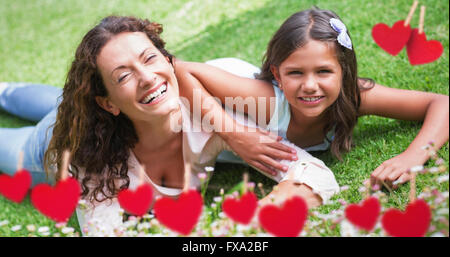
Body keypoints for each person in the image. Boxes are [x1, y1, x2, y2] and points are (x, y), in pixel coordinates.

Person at [0, 15, 339, 236]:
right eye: (124, 75)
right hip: (50, 145)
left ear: (168, 61)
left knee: (64, 99)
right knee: (30, 132)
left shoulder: (209, 112)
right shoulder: (92, 158)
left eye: (150, 59)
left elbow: (314, 173)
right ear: (108, 101)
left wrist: (252, 221)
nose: (148, 78)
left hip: (103, 110)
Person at [175, 7, 449, 190]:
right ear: (277, 75)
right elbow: (178, 68)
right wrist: (234, 134)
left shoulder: (353, 97)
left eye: (323, 71)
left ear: (344, 72)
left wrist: (413, 156)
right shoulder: (267, 100)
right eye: (295, 73)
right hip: (195, 99)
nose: (309, 85)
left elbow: (441, 104)